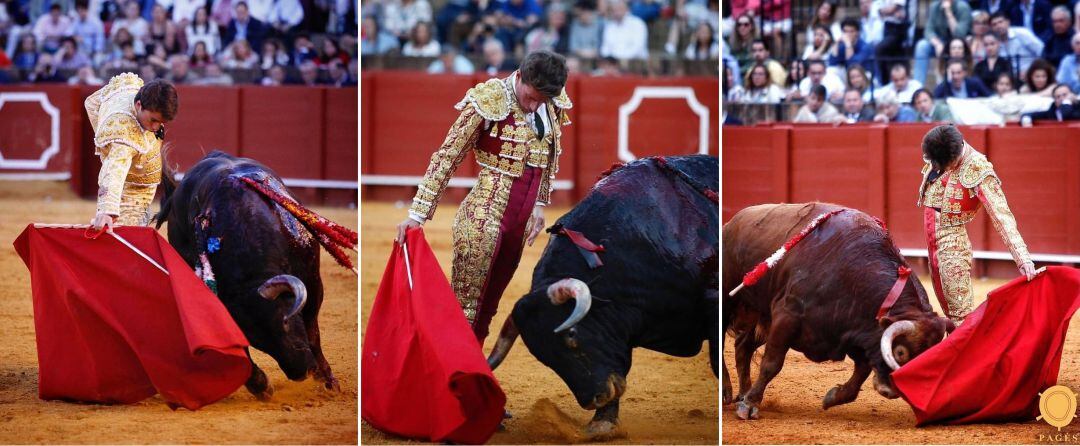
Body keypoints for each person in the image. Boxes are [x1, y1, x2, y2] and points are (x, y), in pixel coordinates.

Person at [395, 51, 572, 343]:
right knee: (466, 309)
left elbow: (550, 155)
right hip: (483, 217)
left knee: (488, 308)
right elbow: (447, 156)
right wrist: (417, 215)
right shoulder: (490, 98)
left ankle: (471, 371)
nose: (535, 104)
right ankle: (448, 371)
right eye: (531, 96)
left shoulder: (550, 101)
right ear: (521, 76)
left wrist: (539, 205)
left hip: (519, 222)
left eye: (542, 100)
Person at [917, 124, 1035, 324]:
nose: (939, 168)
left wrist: (1022, 258)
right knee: (945, 302)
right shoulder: (940, 149)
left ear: (954, 156)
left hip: (952, 241)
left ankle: (969, 352)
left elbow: (1001, 215)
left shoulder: (978, 168)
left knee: (959, 312)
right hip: (932, 239)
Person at [85, 73, 178, 230]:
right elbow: (115, 168)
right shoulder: (124, 132)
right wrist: (108, 210)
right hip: (130, 191)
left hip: (138, 177)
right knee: (125, 241)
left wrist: (105, 136)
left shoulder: (129, 88)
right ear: (139, 105)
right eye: (153, 120)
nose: (156, 127)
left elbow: (92, 102)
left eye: (161, 123)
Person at [914, 0, 973, 85]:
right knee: (922, 46)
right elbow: (928, 30)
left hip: (960, 43)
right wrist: (937, 43)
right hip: (941, 42)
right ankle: (918, 85)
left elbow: (959, 34)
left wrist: (948, 12)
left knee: (957, 46)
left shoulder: (963, 7)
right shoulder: (934, 6)